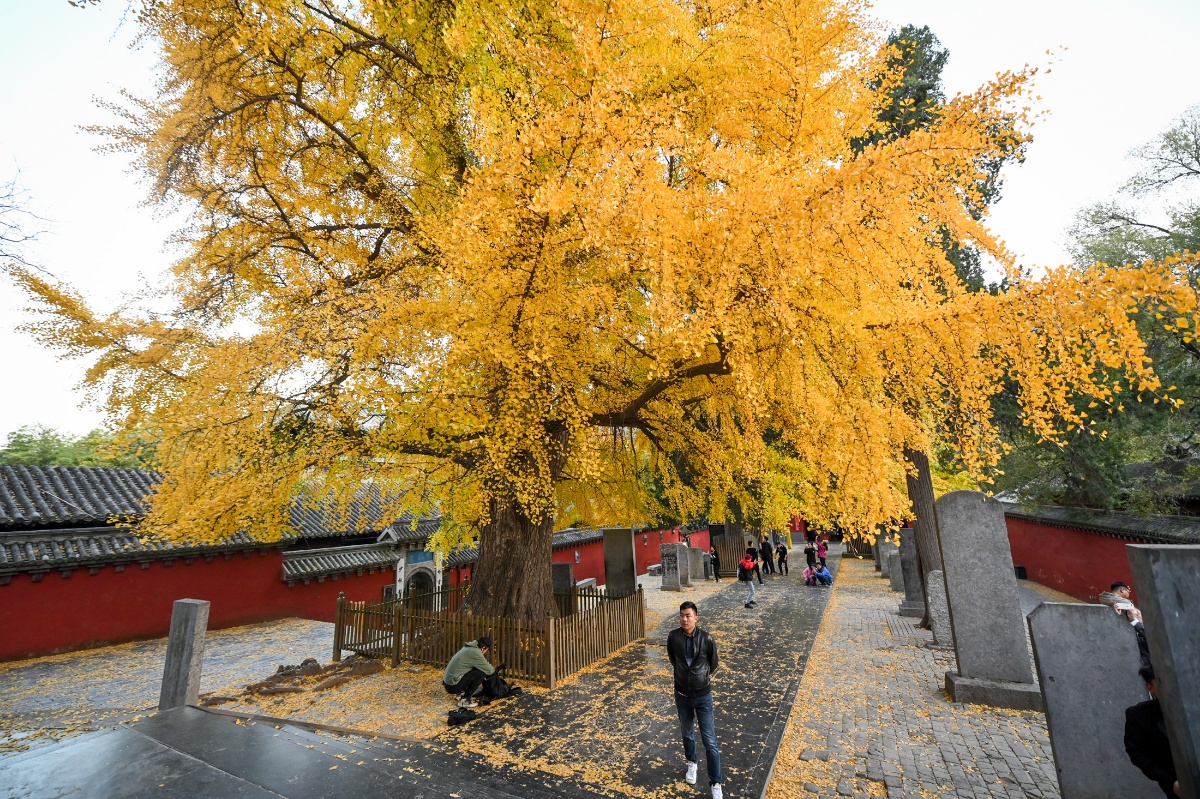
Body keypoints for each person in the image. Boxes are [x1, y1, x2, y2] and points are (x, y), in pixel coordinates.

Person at [667, 601, 724, 799]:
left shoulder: (707, 638)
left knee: (710, 740)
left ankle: (715, 783)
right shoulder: (673, 637)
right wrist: (684, 676)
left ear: (696, 617)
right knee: (687, 733)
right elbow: (673, 659)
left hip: (702, 695)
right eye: (682, 615)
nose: (684, 619)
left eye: (688, 615)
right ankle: (692, 763)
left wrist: (700, 677)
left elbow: (713, 663)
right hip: (682, 694)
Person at [1124, 664, 1181, 797]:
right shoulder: (1139, 716)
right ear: (1150, 687)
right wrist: (1171, 782)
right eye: (1161, 680)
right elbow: (1138, 754)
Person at [443, 635, 495, 709]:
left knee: (472, 668)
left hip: (448, 683)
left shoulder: (468, 647)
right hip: (453, 686)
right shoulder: (476, 653)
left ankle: (459, 694)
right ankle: (465, 700)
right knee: (481, 673)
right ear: (484, 648)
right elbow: (490, 670)